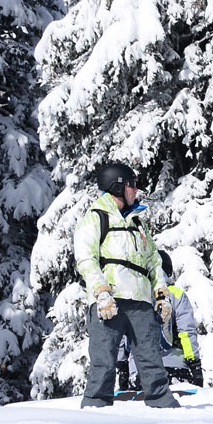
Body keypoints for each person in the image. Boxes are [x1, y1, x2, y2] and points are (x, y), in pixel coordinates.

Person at [74, 163, 180, 408]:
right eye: (131, 185)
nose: (136, 190)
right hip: (109, 299)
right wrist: (100, 291)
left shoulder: (138, 223)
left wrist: (161, 294)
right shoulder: (96, 217)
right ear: (117, 186)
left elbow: (153, 261)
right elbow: (86, 258)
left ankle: (162, 402)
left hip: (140, 300)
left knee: (150, 355)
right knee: (104, 358)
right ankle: (95, 406)